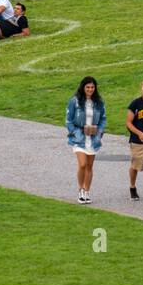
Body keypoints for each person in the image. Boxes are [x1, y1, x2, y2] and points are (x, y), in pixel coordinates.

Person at [65, 76, 105, 204]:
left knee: (89, 166)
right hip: (79, 138)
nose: (90, 89)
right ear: (83, 87)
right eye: (88, 87)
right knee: (82, 164)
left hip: (93, 138)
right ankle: (81, 190)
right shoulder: (74, 101)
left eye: (92, 87)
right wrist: (75, 132)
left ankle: (87, 191)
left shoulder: (99, 102)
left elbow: (103, 119)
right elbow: (68, 120)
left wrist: (99, 131)